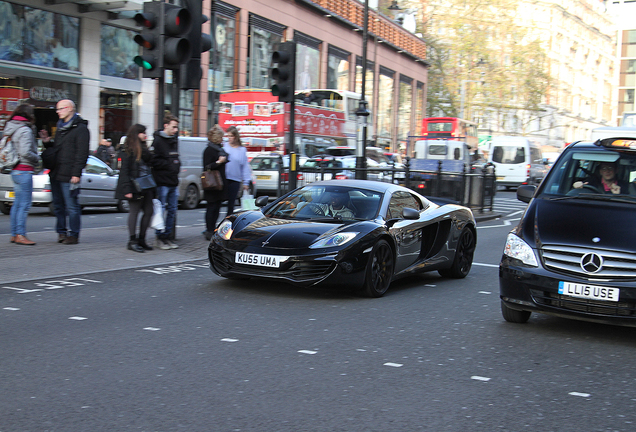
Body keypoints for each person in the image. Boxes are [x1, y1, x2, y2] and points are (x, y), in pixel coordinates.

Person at [39, 99, 90, 245]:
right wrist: (48, 142)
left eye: (60, 109)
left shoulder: (80, 129)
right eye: (57, 109)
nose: (58, 112)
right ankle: (61, 232)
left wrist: (76, 173)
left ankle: (73, 235)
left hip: (69, 174)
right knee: (58, 205)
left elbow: (82, 153)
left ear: (70, 109)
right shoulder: (61, 127)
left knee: (72, 206)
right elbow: (58, 149)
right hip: (56, 172)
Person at [115, 124, 155, 253]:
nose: (145, 135)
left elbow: (150, 163)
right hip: (135, 186)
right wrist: (127, 189)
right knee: (134, 212)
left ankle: (142, 239)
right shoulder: (127, 150)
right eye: (143, 133)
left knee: (149, 211)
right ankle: (132, 240)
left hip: (146, 185)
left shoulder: (143, 148)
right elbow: (124, 171)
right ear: (136, 134)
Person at [6, 104, 40, 245]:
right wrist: (37, 158)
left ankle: (14, 234)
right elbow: (25, 152)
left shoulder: (11, 127)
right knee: (24, 205)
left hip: (15, 170)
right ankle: (20, 234)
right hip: (24, 170)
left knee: (17, 204)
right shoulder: (24, 129)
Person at [151, 114, 180, 250]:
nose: (175, 130)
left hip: (173, 180)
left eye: (176, 127)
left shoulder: (174, 140)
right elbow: (154, 161)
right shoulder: (157, 141)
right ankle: (160, 237)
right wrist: (169, 163)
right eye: (173, 127)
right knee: (161, 209)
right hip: (162, 181)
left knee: (172, 210)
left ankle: (167, 236)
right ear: (166, 125)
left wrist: (175, 165)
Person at [202, 125, 228, 240]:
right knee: (211, 207)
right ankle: (209, 230)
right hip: (211, 183)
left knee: (217, 207)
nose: (223, 139)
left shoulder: (219, 148)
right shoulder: (209, 150)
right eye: (221, 136)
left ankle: (213, 229)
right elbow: (207, 166)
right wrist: (219, 162)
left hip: (219, 183)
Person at [222, 126, 251, 216]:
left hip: (235, 180)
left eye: (231, 136)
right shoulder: (224, 146)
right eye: (228, 136)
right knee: (219, 202)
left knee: (231, 204)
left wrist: (246, 182)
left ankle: (229, 225)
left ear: (236, 136)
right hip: (223, 178)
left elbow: (245, 167)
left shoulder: (241, 150)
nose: (229, 138)